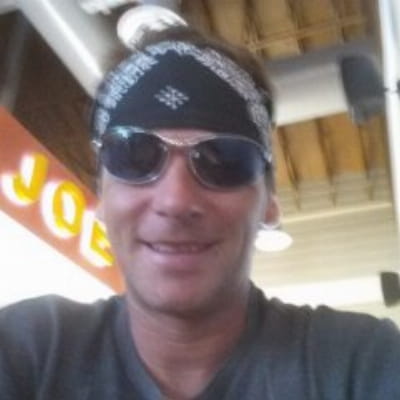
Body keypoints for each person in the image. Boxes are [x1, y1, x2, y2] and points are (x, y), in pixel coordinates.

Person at [1, 26, 400, 400]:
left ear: (269, 203)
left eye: (224, 160)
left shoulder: (359, 361)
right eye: (134, 156)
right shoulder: (29, 348)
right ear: (102, 196)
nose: (175, 200)